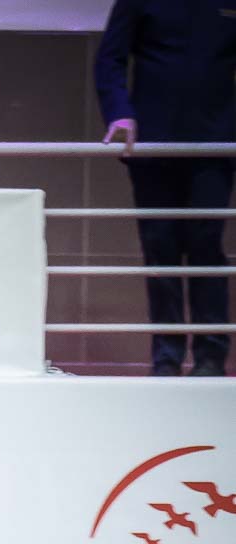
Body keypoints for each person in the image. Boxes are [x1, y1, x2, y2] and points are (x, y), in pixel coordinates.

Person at [96, 0, 235, 377]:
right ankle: (167, 358)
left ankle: (210, 357)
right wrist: (119, 111)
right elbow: (110, 58)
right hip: (153, 142)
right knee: (161, 248)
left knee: (206, 244)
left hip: (215, 143)